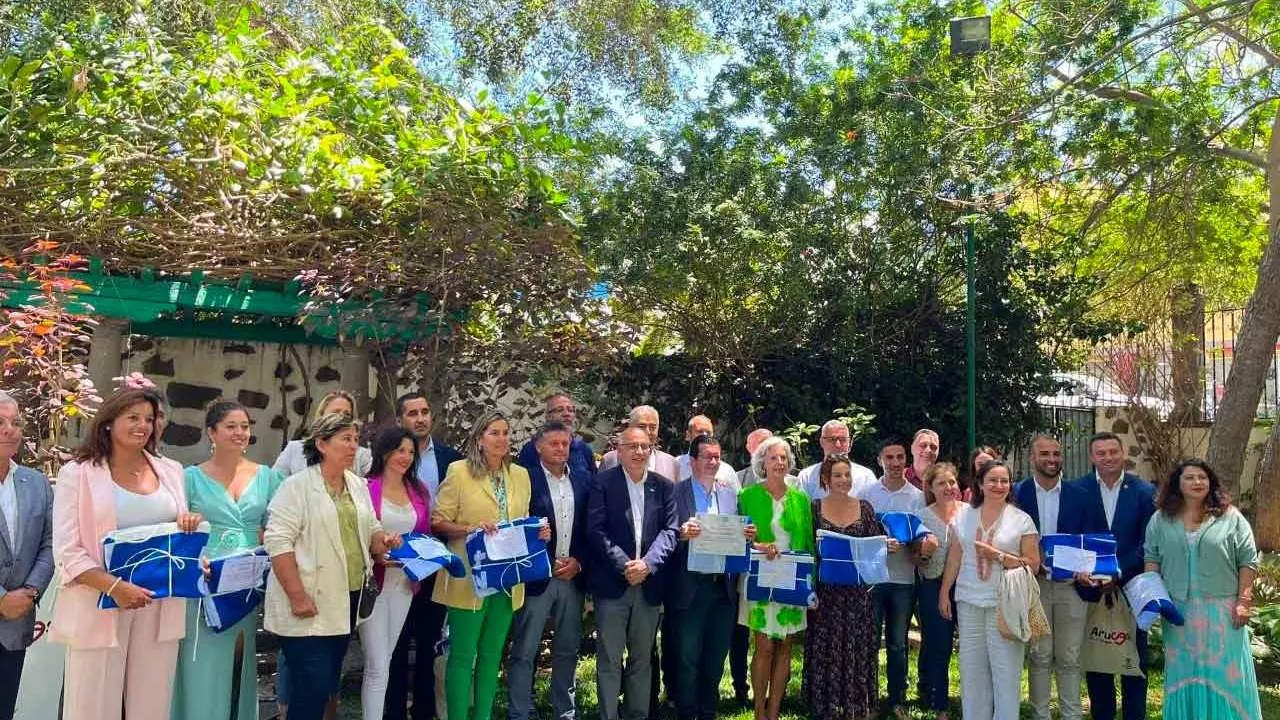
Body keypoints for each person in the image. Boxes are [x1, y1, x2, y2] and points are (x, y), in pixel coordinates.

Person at [51, 388, 204, 720]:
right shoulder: (77, 473)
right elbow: (67, 551)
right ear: (108, 423)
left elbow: (172, 533)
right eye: (133, 418)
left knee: (151, 707)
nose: (143, 426)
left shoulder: (171, 470)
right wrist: (114, 587)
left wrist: (188, 527)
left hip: (159, 604)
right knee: (91, 707)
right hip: (100, 603)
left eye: (149, 419)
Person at [263, 412, 400, 720]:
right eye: (345, 439)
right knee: (311, 685)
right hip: (308, 601)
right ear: (322, 444)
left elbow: (371, 529)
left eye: (355, 440)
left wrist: (383, 540)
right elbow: (277, 543)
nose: (354, 447)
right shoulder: (296, 487)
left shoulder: (356, 484)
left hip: (346, 600)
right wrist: (298, 596)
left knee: (323, 685)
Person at [432, 411, 548, 720]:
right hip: (469, 577)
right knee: (462, 656)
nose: (502, 439)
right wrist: (470, 530)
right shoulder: (458, 472)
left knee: (491, 656)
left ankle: (482, 716)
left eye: (506, 433)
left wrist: (540, 532)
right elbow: (438, 522)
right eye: (494, 433)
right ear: (479, 439)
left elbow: (521, 522)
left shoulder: (521, 475)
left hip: (509, 578)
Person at [172, 401, 285, 720]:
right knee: (202, 666)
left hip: (247, 584)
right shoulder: (189, 478)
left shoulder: (267, 476)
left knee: (241, 662)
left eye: (245, 427)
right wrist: (186, 521)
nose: (240, 433)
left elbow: (277, 524)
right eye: (231, 426)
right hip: (204, 584)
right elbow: (176, 525)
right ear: (212, 432)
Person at [1144, 459, 1262, 720]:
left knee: (1226, 674)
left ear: (1211, 483)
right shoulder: (1160, 519)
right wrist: (1156, 597)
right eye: (1190, 477)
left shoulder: (1231, 517)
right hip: (1179, 613)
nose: (1197, 482)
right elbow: (1151, 558)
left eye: (1202, 477)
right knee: (1184, 672)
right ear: (1178, 484)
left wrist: (1243, 600)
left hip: (1222, 612)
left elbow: (1248, 560)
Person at [587, 426, 678, 720]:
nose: (639, 452)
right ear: (619, 450)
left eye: (645, 446)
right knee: (609, 659)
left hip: (649, 585)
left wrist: (648, 565)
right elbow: (596, 530)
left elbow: (671, 531)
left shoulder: (663, 485)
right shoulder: (602, 483)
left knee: (642, 660)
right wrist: (625, 564)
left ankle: (638, 714)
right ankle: (609, 715)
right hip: (614, 583)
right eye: (632, 446)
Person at [939, 460, 1041, 720]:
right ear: (981, 484)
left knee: (1006, 672)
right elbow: (955, 556)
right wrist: (944, 592)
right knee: (972, 672)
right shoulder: (963, 516)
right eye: (992, 480)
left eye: (1004, 481)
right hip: (968, 600)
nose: (998, 486)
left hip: (1005, 603)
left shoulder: (1021, 519)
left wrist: (998, 555)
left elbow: (1033, 565)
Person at [508, 421, 593, 720]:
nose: (560, 449)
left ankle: (565, 712)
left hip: (572, 575)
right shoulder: (525, 479)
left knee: (568, 649)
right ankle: (518, 711)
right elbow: (518, 525)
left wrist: (578, 562)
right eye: (554, 443)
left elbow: (590, 528)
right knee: (524, 649)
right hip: (538, 576)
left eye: (565, 443)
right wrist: (545, 558)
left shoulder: (583, 479)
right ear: (538, 447)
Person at [670, 435, 756, 720]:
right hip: (690, 586)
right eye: (707, 456)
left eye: (717, 456)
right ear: (692, 460)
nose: (713, 462)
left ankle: (709, 710)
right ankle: (687, 711)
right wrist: (682, 533)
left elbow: (738, 534)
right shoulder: (675, 492)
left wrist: (747, 535)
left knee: (716, 656)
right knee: (687, 657)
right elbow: (664, 533)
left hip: (723, 588)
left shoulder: (729, 493)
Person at [389, 392, 463, 720]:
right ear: (400, 420)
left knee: (430, 642)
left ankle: (423, 711)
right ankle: (392, 712)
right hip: (396, 564)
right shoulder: (389, 459)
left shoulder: (450, 459)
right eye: (412, 413)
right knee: (395, 644)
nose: (420, 418)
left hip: (436, 564)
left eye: (424, 412)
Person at [1076, 432, 1155, 720]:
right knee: (1099, 657)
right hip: (1090, 587)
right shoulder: (1077, 490)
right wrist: (1087, 573)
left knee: (1135, 658)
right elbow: (1075, 535)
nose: (1107, 458)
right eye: (1101, 453)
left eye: (1113, 452)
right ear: (1091, 457)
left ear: (1122, 454)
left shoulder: (1145, 492)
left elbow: (1149, 542)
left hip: (1133, 585)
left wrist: (1117, 571)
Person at [1013, 435, 1090, 720]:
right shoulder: (1016, 493)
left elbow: (1089, 540)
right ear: (1032, 458)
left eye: (1056, 454)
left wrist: (1086, 568)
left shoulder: (1080, 495)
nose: (1052, 459)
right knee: (1040, 654)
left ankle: (1072, 715)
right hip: (1034, 585)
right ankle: (1040, 715)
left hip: (1071, 585)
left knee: (1070, 656)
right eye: (1044, 454)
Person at [803, 454, 883, 720]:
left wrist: (887, 547)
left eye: (847, 475)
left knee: (857, 649)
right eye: (837, 475)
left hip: (857, 596)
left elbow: (875, 549)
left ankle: (856, 706)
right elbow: (807, 551)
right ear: (826, 479)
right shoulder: (813, 508)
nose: (843, 480)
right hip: (825, 595)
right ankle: (825, 706)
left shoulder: (865, 508)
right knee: (826, 649)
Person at [737, 436, 813, 720]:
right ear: (762, 463)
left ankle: (774, 712)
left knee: (784, 647)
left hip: (792, 579)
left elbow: (806, 544)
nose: (779, 462)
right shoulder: (747, 496)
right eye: (773, 458)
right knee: (764, 646)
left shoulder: (801, 499)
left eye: (783, 458)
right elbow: (739, 539)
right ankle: (758, 711)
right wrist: (757, 546)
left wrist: (810, 586)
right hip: (760, 577)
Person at [361, 428, 434, 720]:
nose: (405, 457)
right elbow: (357, 537)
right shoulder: (366, 488)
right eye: (400, 450)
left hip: (405, 585)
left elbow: (424, 536)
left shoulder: (419, 490)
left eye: (411, 452)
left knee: (386, 660)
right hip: (374, 586)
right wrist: (375, 553)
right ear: (385, 451)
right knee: (377, 663)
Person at [855, 438, 930, 719]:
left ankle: (898, 698)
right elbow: (858, 535)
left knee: (898, 643)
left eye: (900, 457)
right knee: (870, 641)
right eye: (890, 458)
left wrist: (915, 545)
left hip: (903, 580)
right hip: (873, 579)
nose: (896, 463)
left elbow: (923, 537)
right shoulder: (866, 494)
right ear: (880, 461)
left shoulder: (917, 496)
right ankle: (869, 700)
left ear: (906, 461)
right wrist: (879, 543)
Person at [0, 392, 53, 720]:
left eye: (16, 422)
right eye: (0, 423)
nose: (10, 430)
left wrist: (30, 593)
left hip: (15, 623)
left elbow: (50, 543)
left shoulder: (36, 483)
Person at [915, 462, 962, 720]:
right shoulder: (922, 516)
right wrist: (923, 553)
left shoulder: (968, 513)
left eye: (952, 482)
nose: (948, 487)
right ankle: (939, 703)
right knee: (938, 646)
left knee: (970, 647)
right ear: (931, 487)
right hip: (932, 586)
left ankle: (972, 699)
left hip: (965, 587)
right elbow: (915, 560)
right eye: (941, 483)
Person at [272, 390, 373, 477]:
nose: (341, 418)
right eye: (335, 413)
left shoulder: (362, 455)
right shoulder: (294, 450)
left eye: (347, 414)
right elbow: (272, 488)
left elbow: (377, 491)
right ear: (321, 416)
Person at [516, 392, 598, 481]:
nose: (567, 414)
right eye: (559, 410)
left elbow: (594, 484)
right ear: (548, 416)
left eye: (571, 410)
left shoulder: (584, 450)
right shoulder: (532, 449)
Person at [796, 421, 876, 499]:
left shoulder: (866, 476)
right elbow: (801, 510)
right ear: (822, 442)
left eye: (843, 439)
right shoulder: (806, 477)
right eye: (832, 439)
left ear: (849, 442)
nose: (838, 445)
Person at [599, 405, 680, 482]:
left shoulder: (671, 464)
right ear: (630, 427)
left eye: (653, 427)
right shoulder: (610, 460)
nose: (647, 432)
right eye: (642, 426)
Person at [674, 416, 739, 488]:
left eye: (708, 432)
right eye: (700, 431)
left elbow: (736, 497)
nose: (704, 435)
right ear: (688, 435)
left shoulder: (726, 471)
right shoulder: (676, 465)